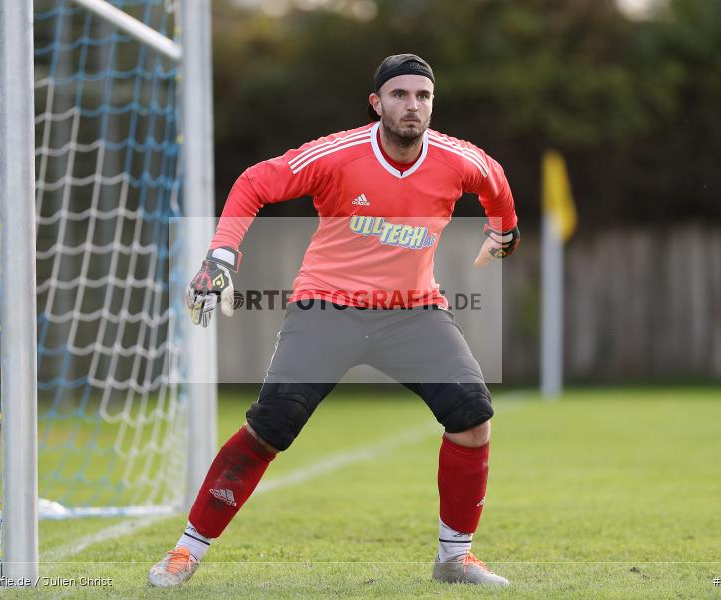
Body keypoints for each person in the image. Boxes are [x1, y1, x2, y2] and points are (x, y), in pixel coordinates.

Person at [149, 54, 520, 588]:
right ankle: (185, 552)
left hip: (412, 312)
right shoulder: (338, 155)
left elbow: (496, 182)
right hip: (327, 308)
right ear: (376, 103)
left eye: (422, 96)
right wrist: (222, 256)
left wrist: (503, 230)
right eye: (399, 95)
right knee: (271, 427)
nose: (412, 105)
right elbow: (255, 182)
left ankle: (454, 560)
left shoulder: (457, 159)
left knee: (472, 415)